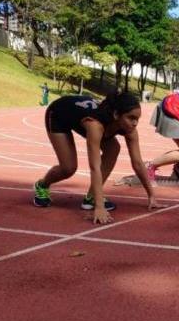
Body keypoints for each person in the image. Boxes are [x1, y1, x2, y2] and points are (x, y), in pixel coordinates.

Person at [33, 92, 164, 224]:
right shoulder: (95, 125)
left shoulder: (129, 129)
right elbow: (94, 166)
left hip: (89, 118)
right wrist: (99, 207)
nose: (135, 123)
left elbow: (138, 163)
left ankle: (91, 197)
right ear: (116, 115)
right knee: (68, 168)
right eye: (131, 118)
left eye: (137, 119)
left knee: (113, 148)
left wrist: (151, 195)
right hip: (59, 114)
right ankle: (42, 185)